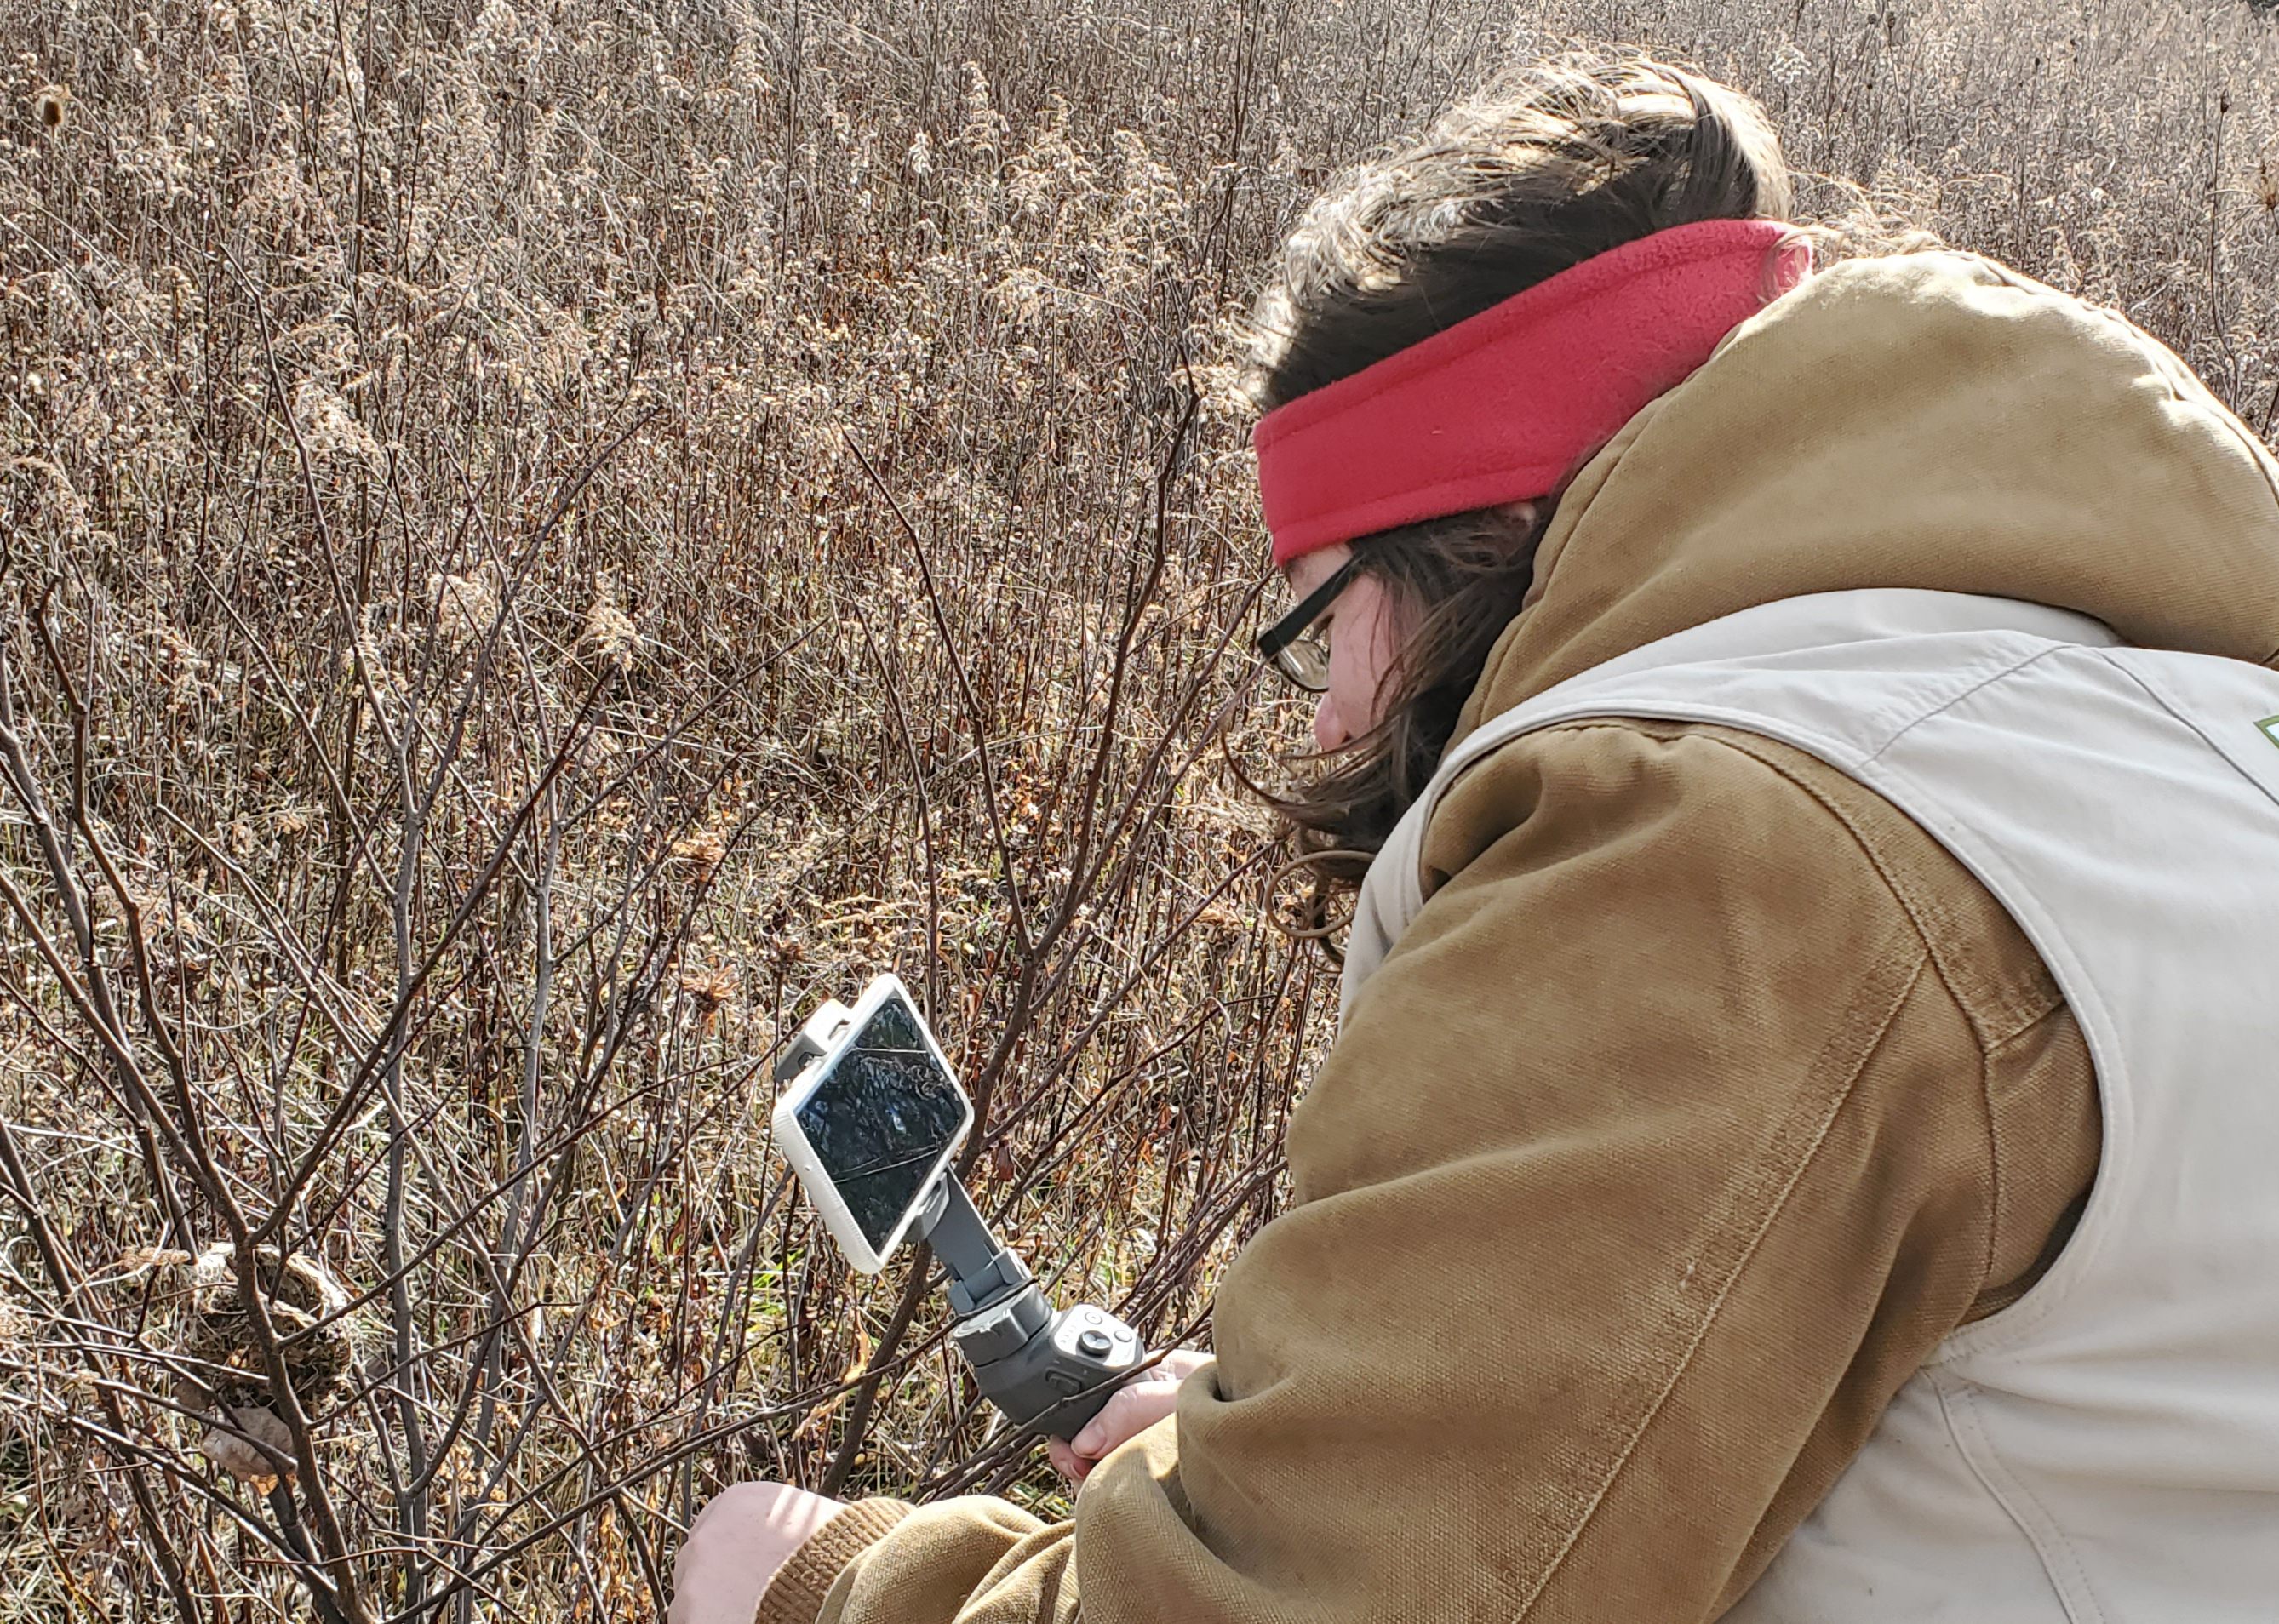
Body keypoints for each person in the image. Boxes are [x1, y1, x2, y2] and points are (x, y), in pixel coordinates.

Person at [673, 47, 2279, 1624]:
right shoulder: (2161, 725)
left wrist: (815, 1580)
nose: (1323, 715)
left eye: (1326, 611)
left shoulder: (1716, 854)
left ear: (1492, 524)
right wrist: (1337, 1438)